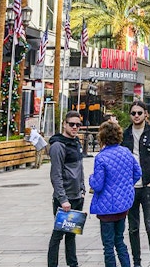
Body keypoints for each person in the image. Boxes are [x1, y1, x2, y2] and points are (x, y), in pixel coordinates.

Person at [122, 100, 150, 267]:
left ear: (146, 114)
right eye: (133, 113)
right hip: (131, 188)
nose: (136, 116)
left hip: (148, 187)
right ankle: (137, 262)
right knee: (133, 228)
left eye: (139, 113)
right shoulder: (125, 134)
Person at [91, 119, 141, 267]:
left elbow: (98, 185)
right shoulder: (126, 152)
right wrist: (126, 185)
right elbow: (137, 172)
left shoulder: (101, 157)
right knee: (119, 240)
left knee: (108, 246)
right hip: (122, 205)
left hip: (107, 208)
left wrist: (91, 179)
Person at [48, 111, 87, 267]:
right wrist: (62, 199)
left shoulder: (76, 142)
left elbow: (79, 168)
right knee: (58, 235)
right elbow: (55, 175)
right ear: (64, 124)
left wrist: (83, 189)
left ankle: (73, 264)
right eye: (71, 124)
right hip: (65, 199)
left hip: (77, 196)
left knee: (72, 235)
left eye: (78, 124)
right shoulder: (58, 145)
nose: (75, 127)